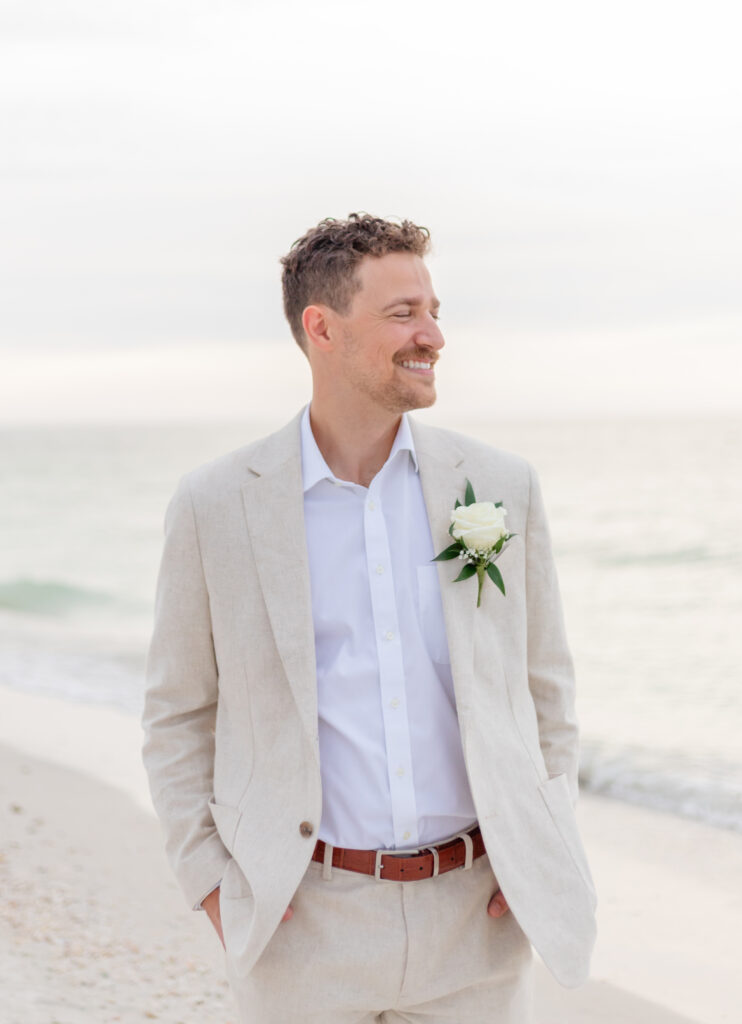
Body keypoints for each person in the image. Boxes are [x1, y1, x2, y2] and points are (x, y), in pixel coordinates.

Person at [142, 213, 597, 1023]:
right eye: (403, 313)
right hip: (301, 923)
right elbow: (179, 715)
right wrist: (210, 882)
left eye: (433, 308)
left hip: (475, 924)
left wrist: (541, 850)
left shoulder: (496, 485)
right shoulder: (217, 505)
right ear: (322, 328)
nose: (434, 335)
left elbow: (545, 689)